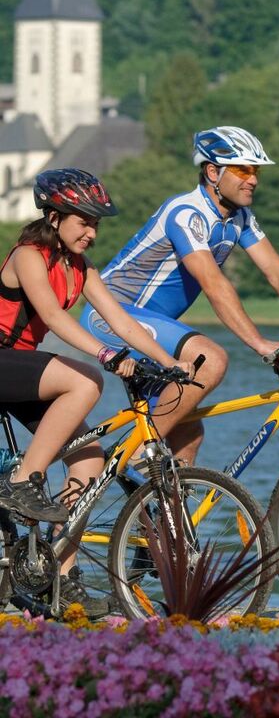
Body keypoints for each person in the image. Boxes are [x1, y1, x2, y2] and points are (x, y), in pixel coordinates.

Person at [80, 125, 279, 465]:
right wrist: (259, 343)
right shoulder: (186, 213)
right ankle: (129, 458)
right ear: (212, 172)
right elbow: (213, 283)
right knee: (212, 360)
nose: (253, 180)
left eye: (256, 171)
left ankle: (154, 497)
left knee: (188, 435)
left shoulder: (240, 218)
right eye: (243, 170)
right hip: (110, 316)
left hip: (149, 328)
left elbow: (276, 269)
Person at [0, 168, 193, 617]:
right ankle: (21, 481)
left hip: (19, 368)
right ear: (53, 217)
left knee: (89, 463)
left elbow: (121, 320)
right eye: (83, 222)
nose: (91, 232)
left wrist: (168, 361)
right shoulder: (29, 256)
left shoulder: (81, 267)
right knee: (86, 380)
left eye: (96, 225)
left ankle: (61, 577)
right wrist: (104, 354)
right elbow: (53, 315)